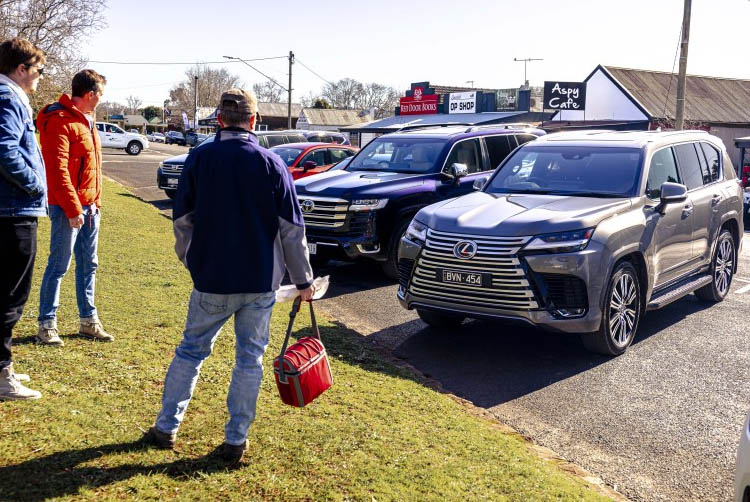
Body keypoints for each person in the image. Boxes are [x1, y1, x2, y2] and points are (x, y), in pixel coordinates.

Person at [144, 88, 314, 462]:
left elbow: (182, 221)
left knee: (191, 351)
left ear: (220, 119)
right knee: (249, 359)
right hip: (259, 282)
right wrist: (304, 281)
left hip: (212, 278)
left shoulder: (199, 158)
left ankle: (166, 427)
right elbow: (292, 229)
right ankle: (236, 440)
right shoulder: (271, 163)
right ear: (253, 121)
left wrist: (192, 262)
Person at [35, 69, 112, 346]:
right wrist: (72, 208)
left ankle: (88, 321)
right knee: (59, 265)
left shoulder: (87, 122)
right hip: (69, 208)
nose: (101, 100)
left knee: (89, 264)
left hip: (91, 207)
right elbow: (57, 171)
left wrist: (96, 203)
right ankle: (46, 324)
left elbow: (93, 168)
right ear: (90, 95)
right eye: (100, 95)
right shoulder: (61, 121)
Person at [0, 38, 46, 400]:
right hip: (13, 211)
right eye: (37, 71)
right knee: (11, 295)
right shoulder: (9, 97)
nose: (39, 78)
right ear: (21, 69)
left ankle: (3, 365)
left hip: (12, 208)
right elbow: (4, 149)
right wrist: (33, 186)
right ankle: (2, 374)